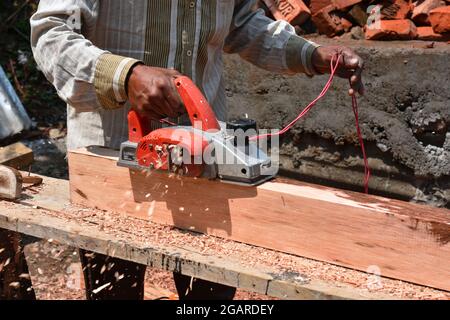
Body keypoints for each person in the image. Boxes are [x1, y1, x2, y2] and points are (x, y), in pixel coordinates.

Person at [29, 0, 364, 300]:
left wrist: (310, 54)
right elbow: (50, 35)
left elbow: (243, 22)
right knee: (114, 286)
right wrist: (124, 75)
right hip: (113, 157)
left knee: (210, 293)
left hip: (206, 159)